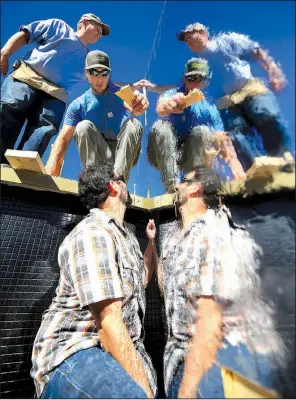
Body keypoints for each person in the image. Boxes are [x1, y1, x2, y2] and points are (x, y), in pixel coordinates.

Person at [156, 166, 285, 398]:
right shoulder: (177, 240)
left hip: (209, 366)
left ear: (196, 187)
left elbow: (210, 317)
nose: (177, 186)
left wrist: (188, 391)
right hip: (179, 363)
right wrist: (151, 245)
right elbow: (165, 290)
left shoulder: (214, 229)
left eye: (183, 181)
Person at [30, 162, 157, 398]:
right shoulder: (94, 233)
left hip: (110, 352)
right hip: (74, 352)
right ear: (114, 186)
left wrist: (151, 242)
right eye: (123, 179)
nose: (127, 185)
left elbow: (143, 278)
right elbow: (109, 322)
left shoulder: (124, 238)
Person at [176, 22, 293, 170]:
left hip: (249, 88)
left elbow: (255, 51)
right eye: (185, 39)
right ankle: (257, 170)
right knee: (236, 135)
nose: (188, 39)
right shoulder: (198, 65)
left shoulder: (226, 41)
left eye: (190, 34)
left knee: (266, 116)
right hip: (227, 101)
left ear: (204, 33)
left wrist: (273, 70)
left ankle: (285, 160)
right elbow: (190, 87)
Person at [0, 13, 110, 163]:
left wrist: (132, 86)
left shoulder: (88, 59)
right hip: (28, 76)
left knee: (44, 128)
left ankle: (22, 167)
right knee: (10, 109)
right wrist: (6, 52)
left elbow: (102, 79)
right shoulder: (59, 27)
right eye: (98, 28)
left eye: (101, 33)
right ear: (84, 22)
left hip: (55, 94)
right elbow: (26, 34)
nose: (100, 34)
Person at [46, 50, 149, 181]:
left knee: (133, 123)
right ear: (86, 73)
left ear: (109, 74)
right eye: (94, 72)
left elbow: (134, 107)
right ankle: (97, 180)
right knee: (82, 126)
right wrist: (50, 174)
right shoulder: (78, 104)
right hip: (100, 154)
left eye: (104, 73)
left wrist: (139, 105)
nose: (99, 78)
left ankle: (119, 181)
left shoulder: (120, 93)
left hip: (123, 151)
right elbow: (64, 139)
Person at [147, 58, 245, 192]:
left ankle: (192, 182)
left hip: (190, 155)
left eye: (199, 79)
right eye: (191, 78)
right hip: (163, 154)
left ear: (205, 82)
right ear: (185, 79)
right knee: (161, 126)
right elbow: (161, 107)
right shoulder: (174, 93)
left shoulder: (209, 106)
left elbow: (221, 137)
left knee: (203, 131)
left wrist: (236, 167)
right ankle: (171, 186)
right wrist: (170, 106)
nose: (194, 83)